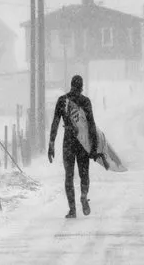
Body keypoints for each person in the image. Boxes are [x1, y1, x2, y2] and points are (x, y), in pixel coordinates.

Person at [48, 75, 98, 219]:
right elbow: (91, 125)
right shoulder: (85, 101)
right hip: (82, 142)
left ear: (71, 85)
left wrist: (51, 144)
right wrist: (93, 147)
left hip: (68, 142)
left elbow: (55, 123)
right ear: (81, 87)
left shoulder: (62, 101)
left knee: (68, 177)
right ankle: (83, 195)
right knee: (84, 174)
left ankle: (72, 210)